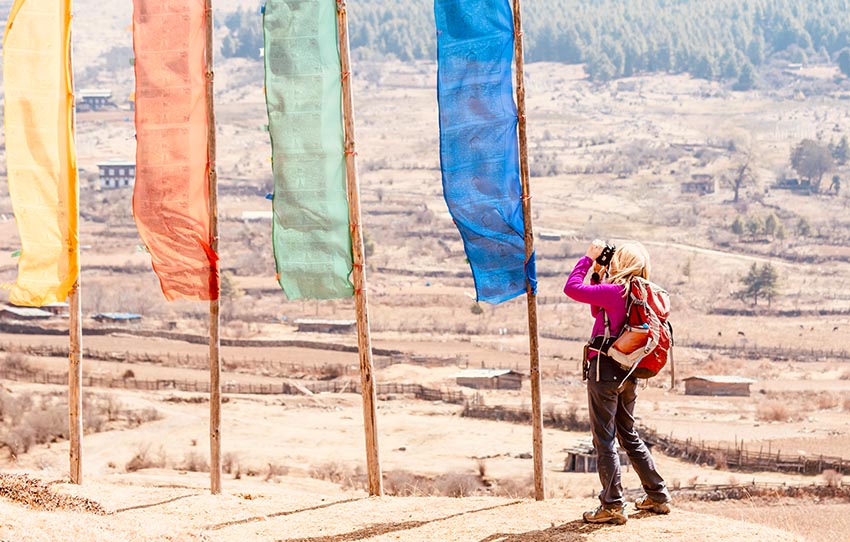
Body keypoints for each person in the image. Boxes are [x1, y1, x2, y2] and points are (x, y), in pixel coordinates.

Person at [563, 239, 671, 525]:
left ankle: (612, 504)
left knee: (605, 438)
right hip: (629, 371)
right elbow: (598, 313)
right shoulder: (640, 294)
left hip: (604, 370)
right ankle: (657, 496)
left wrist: (587, 259)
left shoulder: (616, 291)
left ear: (621, 262)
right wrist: (599, 274)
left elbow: (572, 288)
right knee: (627, 434)